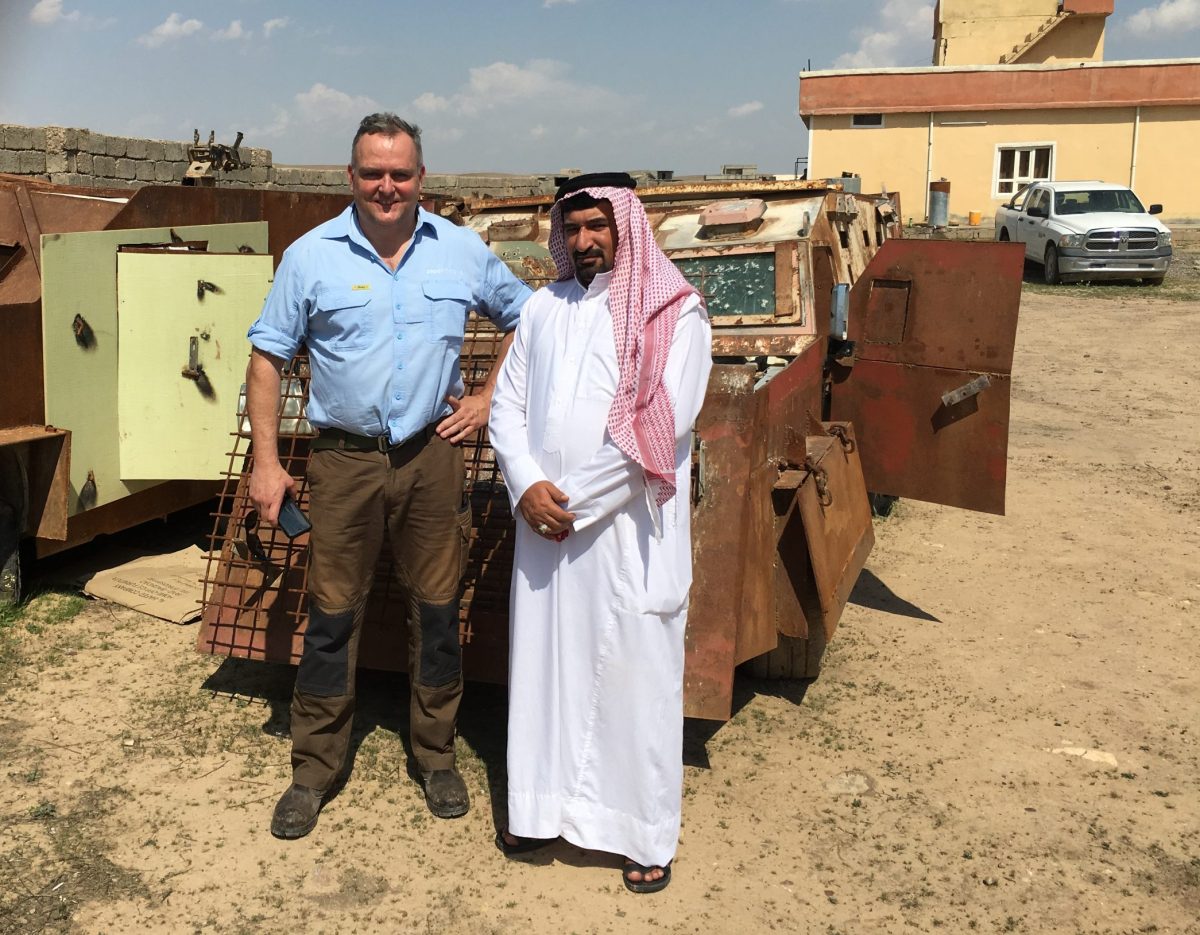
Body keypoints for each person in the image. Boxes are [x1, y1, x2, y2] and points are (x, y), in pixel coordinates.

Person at [245, 112, 531, 839]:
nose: (387, 185)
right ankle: (313, 769)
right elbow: (267, 358)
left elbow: (529, 321)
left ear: (421, 178)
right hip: (342, 461)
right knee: (332, 617)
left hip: (431, 457)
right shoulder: (311, 258)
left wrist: (488, 397)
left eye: (400, 173)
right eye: (373, 172)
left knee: (437, 611)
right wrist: (269, 463)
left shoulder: (461, 252)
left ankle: (435, 756)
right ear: (351, 177)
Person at [487, 173, 712, 893]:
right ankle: (539, 807)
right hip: (544, 536)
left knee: (633, 678)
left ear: (626, 226)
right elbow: (506, 408)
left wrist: (570, 501)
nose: (585, 240)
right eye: (574, 227)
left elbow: (664, 424)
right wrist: (525, 486)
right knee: (544, 671)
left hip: (623, 536)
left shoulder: (675, 313)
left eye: (598, 226)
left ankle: (639, 831)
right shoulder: (543, 309)